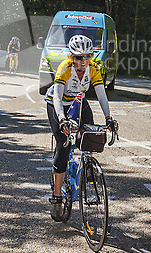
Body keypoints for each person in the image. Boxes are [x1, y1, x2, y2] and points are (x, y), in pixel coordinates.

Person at [45, 34, 115, 221]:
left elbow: (101, 95)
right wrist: (62, 120)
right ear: (71, 56)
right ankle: (57, 196)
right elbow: (58, 98)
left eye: (87, 56)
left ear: (91, 56)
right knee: (64, 144)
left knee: (90, 136)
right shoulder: (65, 68)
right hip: (57, 105)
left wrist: (109, 118)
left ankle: (87, 170)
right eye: (78, 57)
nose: (83, 61)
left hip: (78, 102)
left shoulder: (93, 69)